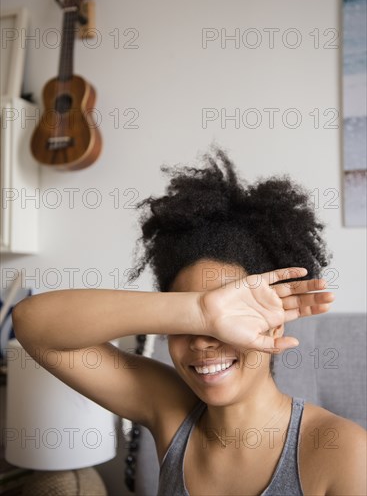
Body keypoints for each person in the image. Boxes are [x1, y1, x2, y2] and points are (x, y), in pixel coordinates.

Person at [13, 146, 366, 495]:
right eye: (187, 322)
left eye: (228, 318)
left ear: (274, 324)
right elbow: (32, 322)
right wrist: (200, 311)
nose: (201, 341)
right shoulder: (169, 409)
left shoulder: (343, 452)